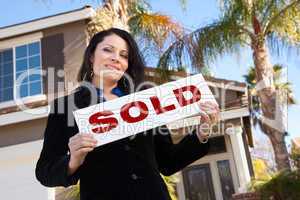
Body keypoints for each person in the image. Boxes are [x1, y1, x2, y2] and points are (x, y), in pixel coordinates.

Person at [35, 28, 220, 200]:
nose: (116, 58)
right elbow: (45, 172)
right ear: (91, 55)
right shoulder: (66, 107)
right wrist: (72, 161)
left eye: (124, 55)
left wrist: (201, 133)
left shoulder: (145, 102)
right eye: (108, 50)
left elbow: (168, 162)